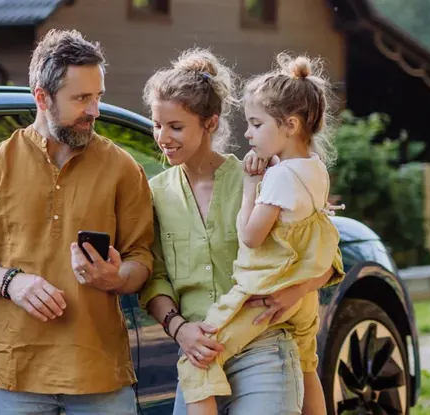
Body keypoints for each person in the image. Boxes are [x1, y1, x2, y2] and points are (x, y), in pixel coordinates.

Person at [0, 28, 155, 414]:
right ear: (42, 98)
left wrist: (115, 277)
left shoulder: (123, 169)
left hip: (98, 370)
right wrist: (12, 282)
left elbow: (141, 259)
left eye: (97, 96)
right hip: (17, 368)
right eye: (81, 98)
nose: (94, 111)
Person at [138, 48, 344, 415]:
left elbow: (325, 257)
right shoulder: (155, 194)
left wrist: (293, 292)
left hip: (264, 346)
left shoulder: (263, 176)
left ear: (211, 123)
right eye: (157, 125)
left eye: (176, 127)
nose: (162, 137)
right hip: (200, 356)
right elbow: (155, 278)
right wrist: (179, 328)